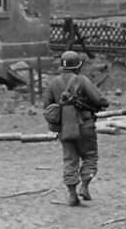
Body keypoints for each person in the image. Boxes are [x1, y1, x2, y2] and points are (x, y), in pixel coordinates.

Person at [44, 50, 108, 207]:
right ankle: (85, 186)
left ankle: (72, 194)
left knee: (70, 160)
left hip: (65, 128)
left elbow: (47, 107)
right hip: (84, 125)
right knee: (90, 156)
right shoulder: (82, 80)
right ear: (78, 66)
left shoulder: (53, 83)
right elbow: (99, 100)